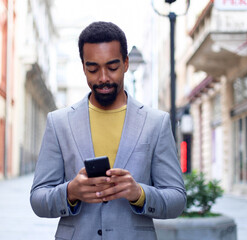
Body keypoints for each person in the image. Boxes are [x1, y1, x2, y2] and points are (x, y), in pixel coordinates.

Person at [30, 21, 186, 240]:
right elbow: (38, 199)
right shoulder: (59, 122)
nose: (103, 77)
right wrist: (71, 192)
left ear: (125, 63)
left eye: (112, 67)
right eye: (93, 68)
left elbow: (177, 200)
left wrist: (139, 194)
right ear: (83, 67)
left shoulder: (156, 122)